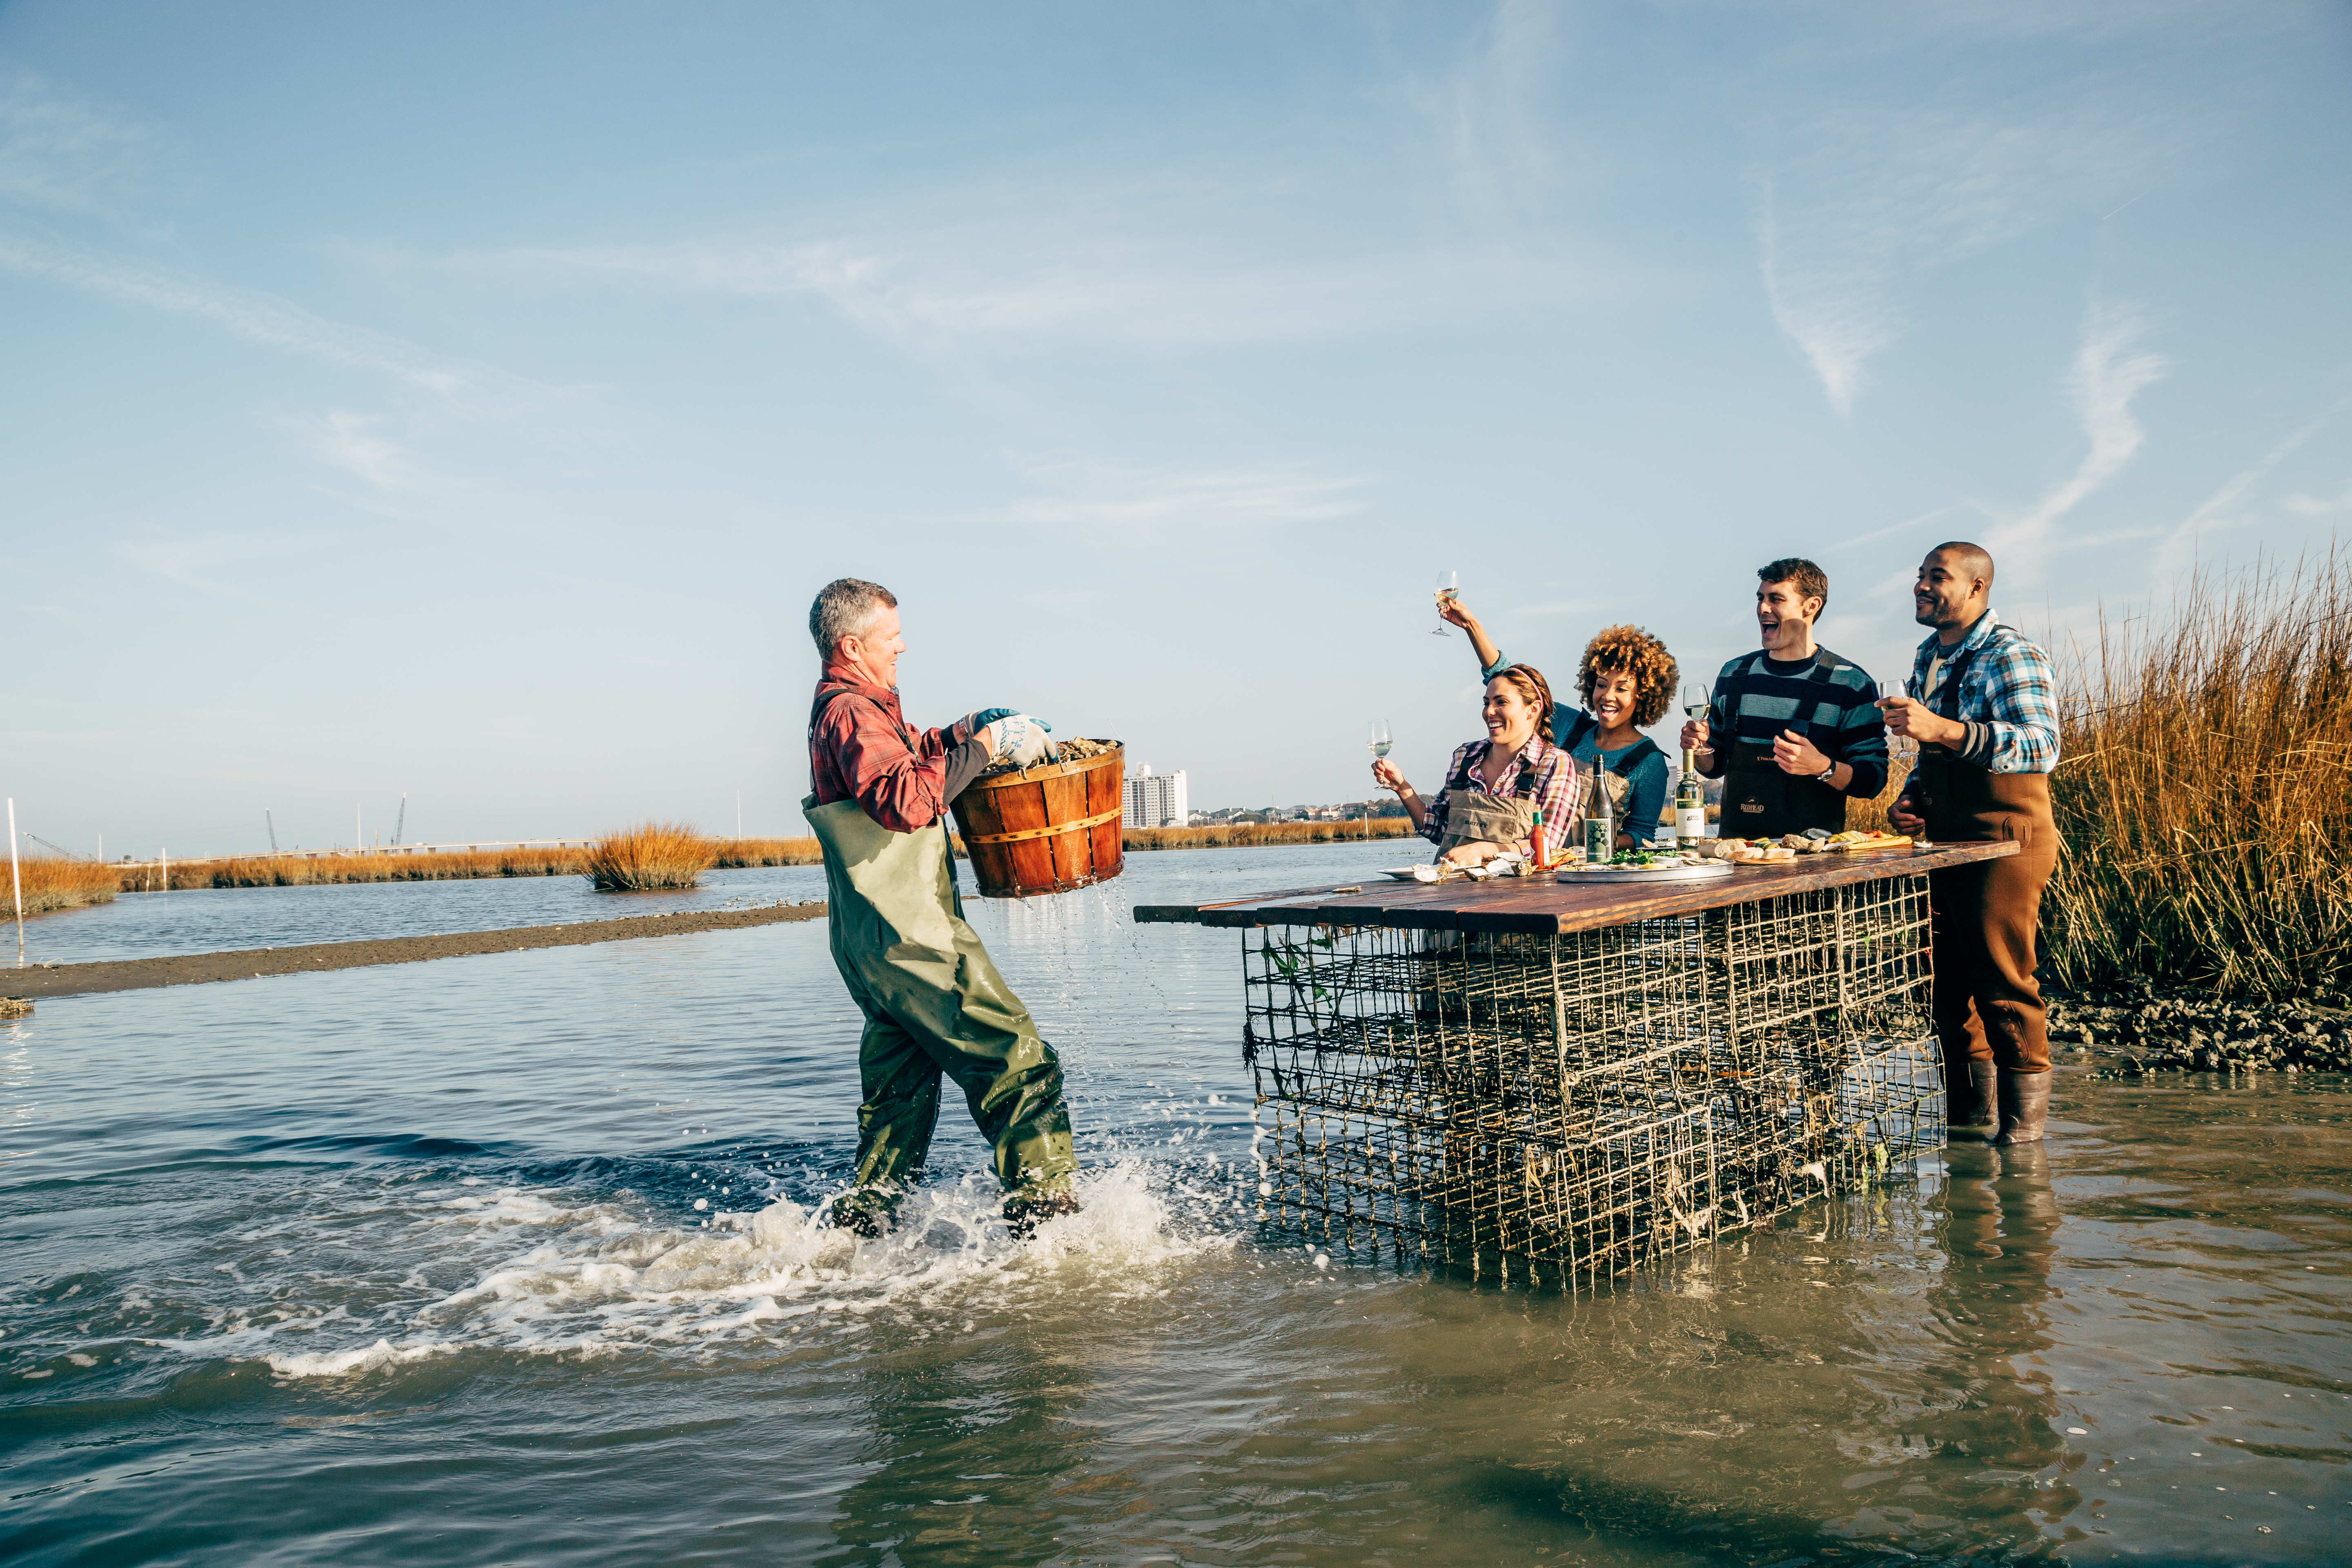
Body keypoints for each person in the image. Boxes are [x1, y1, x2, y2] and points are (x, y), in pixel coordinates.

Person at [802, 577, 1080, 1236]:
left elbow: (912, 757)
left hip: (872, 943)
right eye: (891, 640)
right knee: (1015, 1057)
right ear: (851, 644)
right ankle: (1052, 1230)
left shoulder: (857, 710)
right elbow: (904, 800)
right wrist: (988, 751)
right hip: (913, 937)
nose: (903, 648)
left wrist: (970, 728)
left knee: (899, 1097)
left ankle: (860, 1236)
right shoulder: (850, 713)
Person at [1880, 543, 2061, 1146]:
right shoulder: (1929, 655)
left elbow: (2041, 747)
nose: (1921, 587)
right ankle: (1969, 1136)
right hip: (1946, 841)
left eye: (1938, 577)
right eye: (1920, 576)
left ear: (1978, 589)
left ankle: (2022, 1148)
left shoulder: (2011, 653)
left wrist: (1943, 729)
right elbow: (1936, 752)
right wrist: (1911, 798)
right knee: (1946, 989)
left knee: (2003, 986)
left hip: (2007, 839)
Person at [1678, 557, 1889, 838]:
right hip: (1735, 856)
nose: (1763, 608)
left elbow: (1872, 781)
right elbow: (1714, 768)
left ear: (1811, 606)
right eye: (1761, 598)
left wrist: (1822, 767)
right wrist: (1700, 748)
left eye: (1776, 599)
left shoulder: (1851, 684)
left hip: (1813, 865)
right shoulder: (1733, 675)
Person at [1440, 608, 1679, 850]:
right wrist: (1472, 627)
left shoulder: (1650, 763)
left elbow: (1642, 834)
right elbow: (1511, 681)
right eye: (1601, 685)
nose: (1607, 696)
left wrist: (1587, 846)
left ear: (1645, 695)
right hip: (1535, 866)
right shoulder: (1569, 726)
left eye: (1622, 689)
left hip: (1590, 871)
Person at [1370, 666, 1577, 865]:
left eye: (1501, 702)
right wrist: (1402, 788)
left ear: (1533, 709)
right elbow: (1440, 830)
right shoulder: (1465, 756)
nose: (1489, 712)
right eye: (1486, 703)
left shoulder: (1554, 763)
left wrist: (1485, 850)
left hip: (1519, 895)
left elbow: (1548, 847)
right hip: (1455, 890)